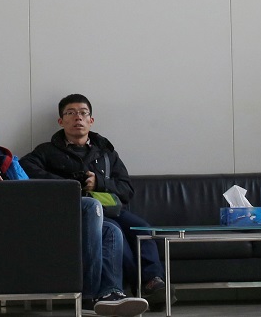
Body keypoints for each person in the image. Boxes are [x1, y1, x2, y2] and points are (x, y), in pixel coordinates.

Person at [0, 100, 147, 317]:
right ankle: (89, 294)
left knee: (110, 229)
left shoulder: (4, 160)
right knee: (89, 205)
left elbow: (30, 191)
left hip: (28, 219)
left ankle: (109, 293)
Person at [21, 95, 168, 307]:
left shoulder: (107, 153)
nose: (77, 118)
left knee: (142, 227)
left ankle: (154, 281)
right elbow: (25, 168)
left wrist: (99, 182)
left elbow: (127, 189)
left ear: (91, 120)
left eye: (83, 113)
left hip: (111, 208)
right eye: (70, 113)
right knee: (115, 232)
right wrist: (71, 184)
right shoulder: (47, 151)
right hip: (77, 212)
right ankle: (138, 288)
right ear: (61, 121)